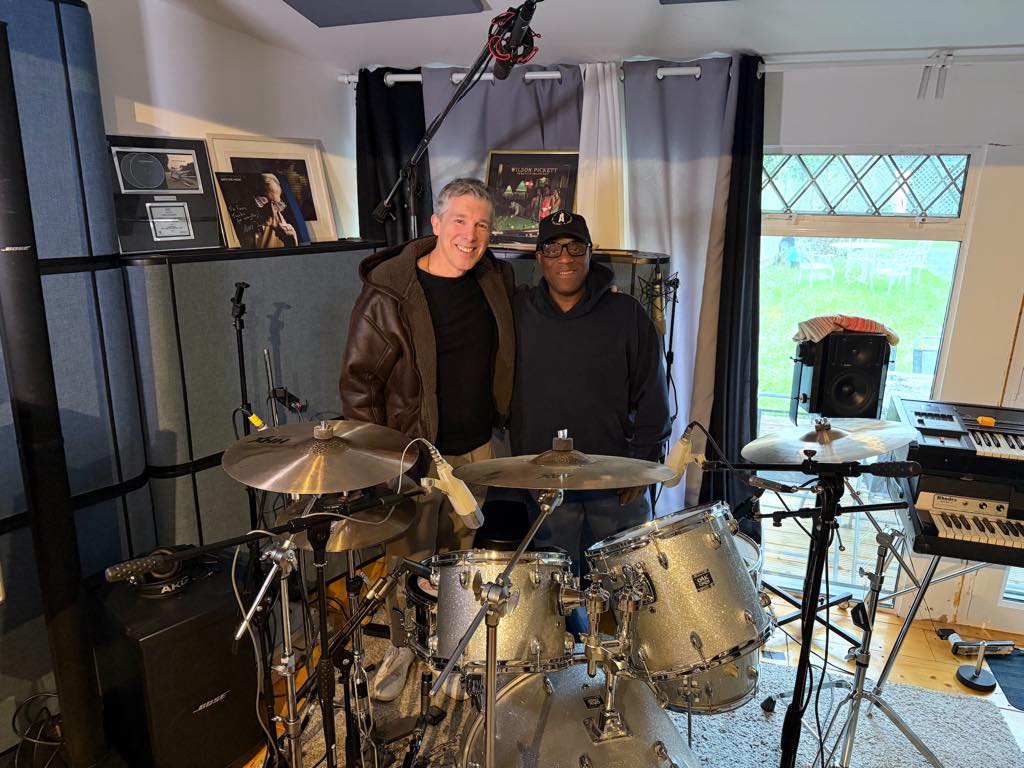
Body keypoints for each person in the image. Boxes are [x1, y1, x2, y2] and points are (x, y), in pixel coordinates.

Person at [339, 178, 515, 701]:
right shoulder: (389, 294)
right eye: (459, 220)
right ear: (435, 223)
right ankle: (402, 647)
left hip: (478, 451)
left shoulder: (495, 280)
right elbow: (359, 384)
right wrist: (381, 461)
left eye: (481, 225)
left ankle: (451, 649)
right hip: (413, 456)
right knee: (408, 563)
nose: (470, 235)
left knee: (461, 563)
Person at [509, 209, 671, 634]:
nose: (565, 257)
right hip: (545, 481)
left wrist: (641, 465)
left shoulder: (627, 314)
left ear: (589, 252)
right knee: (558, 595)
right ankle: (575, 662)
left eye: (574, 247)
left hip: (613, 481)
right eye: (553, 248)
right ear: (539, 257)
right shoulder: (518, 312)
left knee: (629, 588)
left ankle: (633, 662)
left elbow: (654, 397)